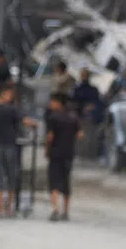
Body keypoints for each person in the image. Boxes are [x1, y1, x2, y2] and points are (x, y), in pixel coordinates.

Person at [0, 83, 37, 217]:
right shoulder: (12, 110)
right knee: (11, 176)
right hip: (10, 145)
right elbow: (27, 122)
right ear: (6, 95)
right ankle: (9, 207)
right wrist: (35, 124)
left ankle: (1, 208)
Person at [45, 93, 82, 222]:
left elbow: (50, 137)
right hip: (69, 153)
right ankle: (66, 211)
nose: (50, 104)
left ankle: (55, 209)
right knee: (66, 182)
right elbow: (80, 134)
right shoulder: (74, 117)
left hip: (55, 153)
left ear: (58, 103)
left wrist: (47, 149)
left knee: (54, 181)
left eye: (52, 102)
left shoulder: (53, 117)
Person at [70, 68, 105, 158]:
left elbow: (98, 102)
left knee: (90, 138)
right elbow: (72, 102)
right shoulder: (76, 89)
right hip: (78, 116)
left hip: (90, 117)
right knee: (79, 138)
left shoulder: (93, 89)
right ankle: (79, 155)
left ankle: (89, 155)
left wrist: (91, 107)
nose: (84, 77)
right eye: (83, 75)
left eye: (86, 75)